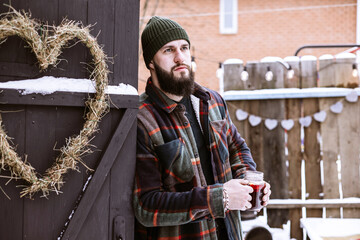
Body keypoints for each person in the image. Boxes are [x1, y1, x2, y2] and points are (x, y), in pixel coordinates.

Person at [133, 16, 271, 240]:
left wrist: (247, 181)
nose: (180, 57)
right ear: (151, 62)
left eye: (184, 48)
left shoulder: (212, 101)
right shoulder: (142, 118)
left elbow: (237, 147)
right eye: (168, 50)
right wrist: (221, 198)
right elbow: (146, 206)